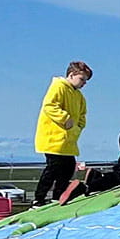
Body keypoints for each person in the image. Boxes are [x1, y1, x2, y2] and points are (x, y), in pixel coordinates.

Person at [33, 61, 92, 204]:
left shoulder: (79, 96)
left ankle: (57, 196)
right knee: (53, 168)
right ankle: (38, 199)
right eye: (82, 79)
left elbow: (83, 114)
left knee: (68, 167)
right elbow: (49, 105)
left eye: (86, 80)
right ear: (71, 75)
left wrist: (78, 127)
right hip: (53, 138)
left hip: (68, 140)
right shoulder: (58, 86)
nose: (84, 83)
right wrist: (65, 119)